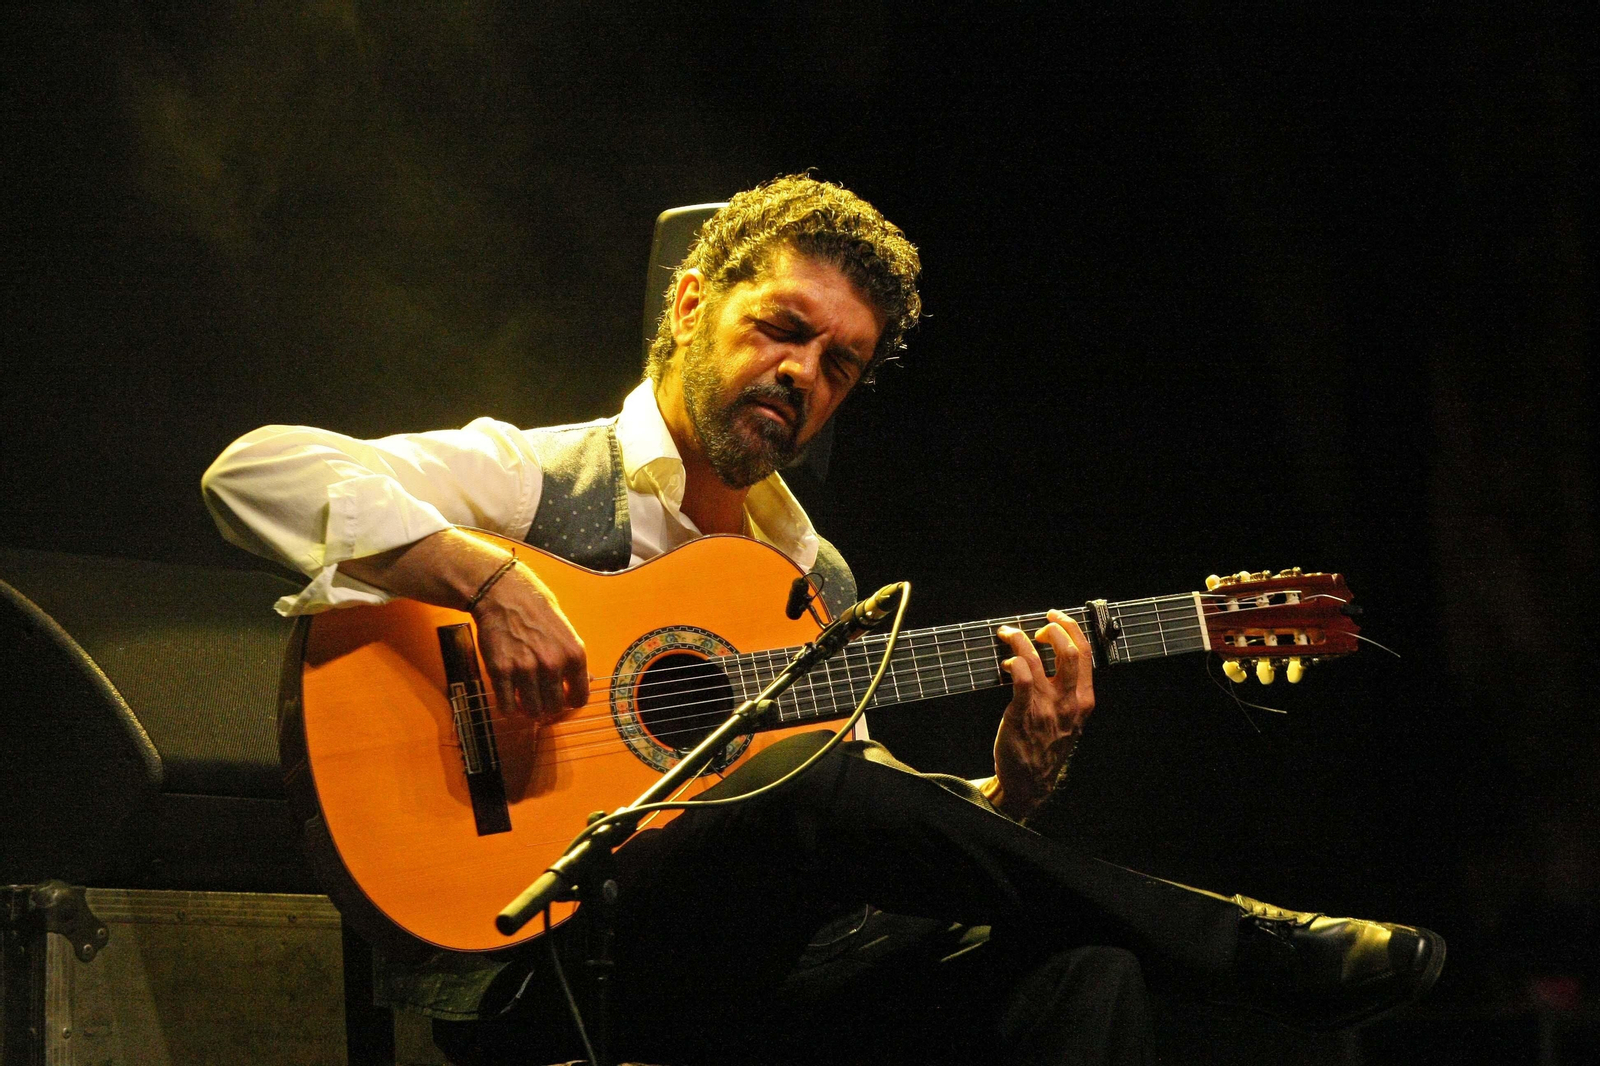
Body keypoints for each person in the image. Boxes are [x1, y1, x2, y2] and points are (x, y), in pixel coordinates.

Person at [203, 175, 1444, 1065]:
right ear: (690, 303)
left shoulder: (810, 569)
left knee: (1073, 963)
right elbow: (253, 471)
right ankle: (1233, 944)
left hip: (752, 980)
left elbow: (866, 821)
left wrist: (1008, 792)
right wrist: (484, 578)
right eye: (781, 329)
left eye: (839, 362)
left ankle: (1162, 942)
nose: (804, 374)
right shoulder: (539, 479)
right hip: (545, 962)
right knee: (787, 779)